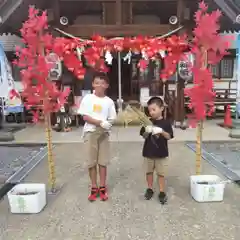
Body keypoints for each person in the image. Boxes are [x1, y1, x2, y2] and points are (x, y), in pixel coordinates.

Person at [78, 72, 116, 202]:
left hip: (103, 134)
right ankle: (94, 187)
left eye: (102, 82)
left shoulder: (109, 102)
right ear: (93, 84)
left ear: (107, 85)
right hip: (90, 132)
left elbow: (112, 119)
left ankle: (102, 187)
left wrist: (108, 124)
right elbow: (85, 116)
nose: (100, 85)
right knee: (91, 162)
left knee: (103, 162)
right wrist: (100, 122)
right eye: (97, 82)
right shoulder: (88, 98)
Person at [140, 96, 173, 204]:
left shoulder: (166, 123)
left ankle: (162, 192)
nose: (151, 112)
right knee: (149, 172)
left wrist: (161, 131)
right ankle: (149, 189)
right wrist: (147, 131)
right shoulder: (147, 121)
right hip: (148, 152)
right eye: (149, 110)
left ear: (162, 108)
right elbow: (143, 136)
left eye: (154, 109)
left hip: (161, 153)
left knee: (161, 174)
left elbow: (169, 136)